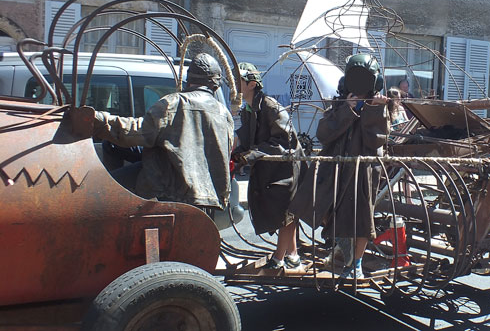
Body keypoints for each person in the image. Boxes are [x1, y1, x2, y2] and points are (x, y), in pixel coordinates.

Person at [290, 53, 390, 279]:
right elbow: (324, 133)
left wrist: (374, 110)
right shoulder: (340, 102)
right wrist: (348, 109)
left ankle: (356, 263)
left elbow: (375, 140)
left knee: (362, 217)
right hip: (334, 168)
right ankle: (341, 250)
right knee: (325, 209)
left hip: (363, 171)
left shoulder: (378, 105)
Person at [92, 53, 234, 210]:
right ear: (215, 85)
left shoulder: (173, 103)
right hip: (208, 197)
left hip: (167, 189)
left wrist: (98, 120)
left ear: (189, 79)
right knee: (112, 146)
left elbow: (134, 132)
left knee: (101, 191)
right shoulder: (224, 114)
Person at [232, 62, 304, 270]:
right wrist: (236, 151)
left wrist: (250, 155)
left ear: (252, 84)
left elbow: (284, 141)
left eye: (239, 81)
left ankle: (279, 258)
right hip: (271, 167)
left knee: (284, 213)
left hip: (286, 167)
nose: (234, 85)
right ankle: (293, 255)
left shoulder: (270, 106)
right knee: (287, 214)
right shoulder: (248, 107)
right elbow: (248, 134)